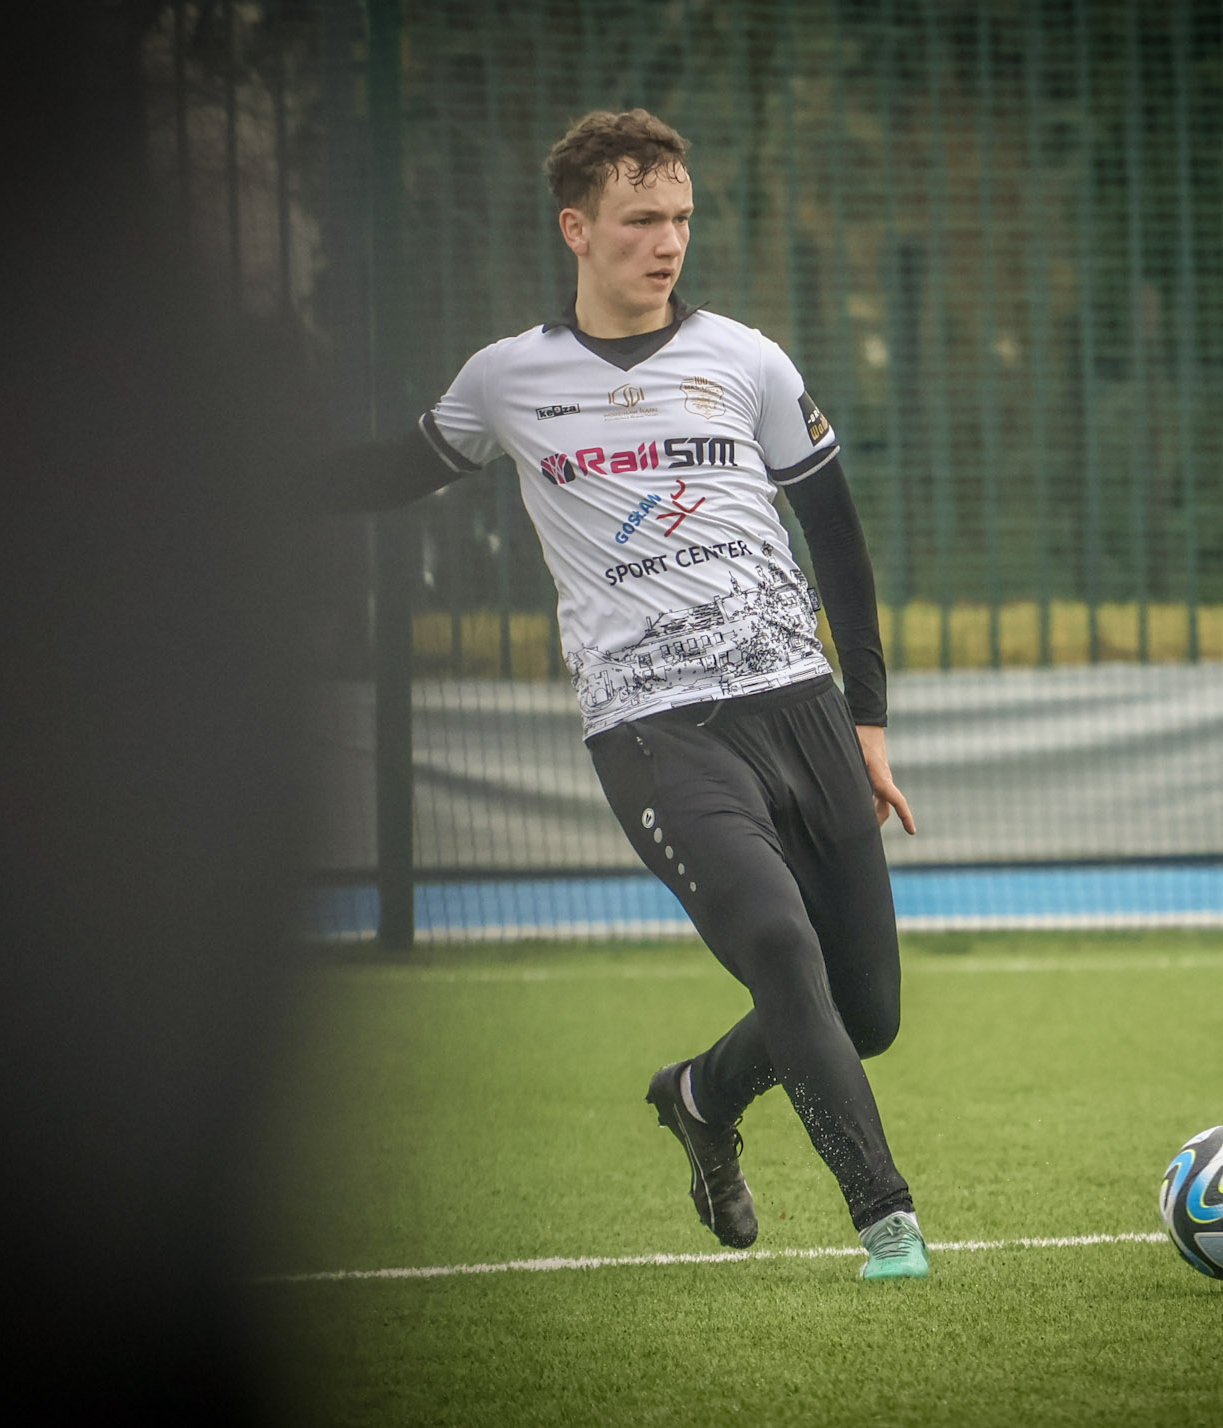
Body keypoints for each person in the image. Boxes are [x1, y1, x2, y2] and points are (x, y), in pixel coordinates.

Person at [318, 108, 928, 1281]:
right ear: (576, 228)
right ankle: (886, 1221)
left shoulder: (748, 361)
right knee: (776, 942)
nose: (668, 242)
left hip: (799, 706)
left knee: (867, 1014)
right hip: (653, 732)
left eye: (681, 218)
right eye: (642, 219)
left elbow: (838, 543)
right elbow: (393, 470)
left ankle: (698, 1096)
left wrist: (866, 720)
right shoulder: (507, 379)